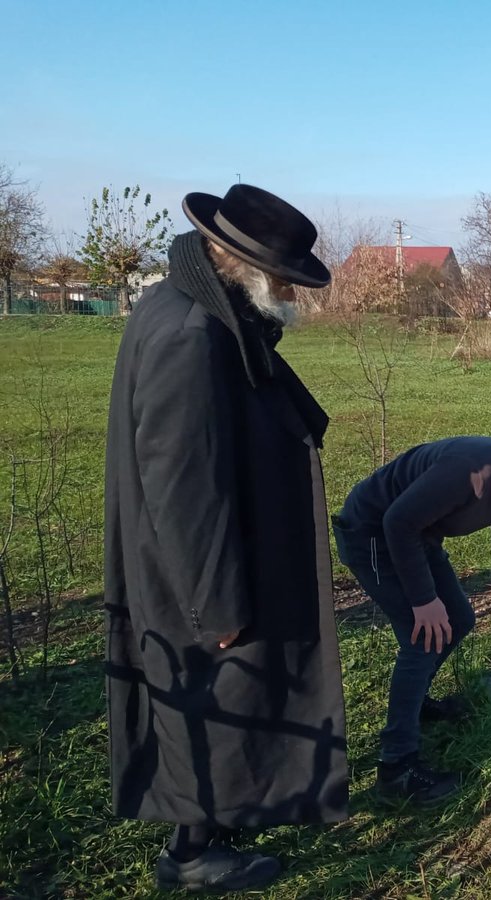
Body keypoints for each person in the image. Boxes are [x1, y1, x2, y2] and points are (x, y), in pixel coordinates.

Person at [104, 184, 348, 893]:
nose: (292, 297)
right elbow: (184, 484)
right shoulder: (191, 334)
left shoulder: (192, 307)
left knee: (223, 701)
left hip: (201, 560)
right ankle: (191, 852)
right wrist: (214, 603)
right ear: (244, 266)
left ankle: (220, 821)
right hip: (194, 571)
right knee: (208, 699)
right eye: (286, 281)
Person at [332, 437, 491, 804]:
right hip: (374, 533)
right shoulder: (474, 474)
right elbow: (397, 521)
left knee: (459, 618)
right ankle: (397, 769)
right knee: (422, 637)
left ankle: (414, 702)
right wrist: (424, 600)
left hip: (417, 536)